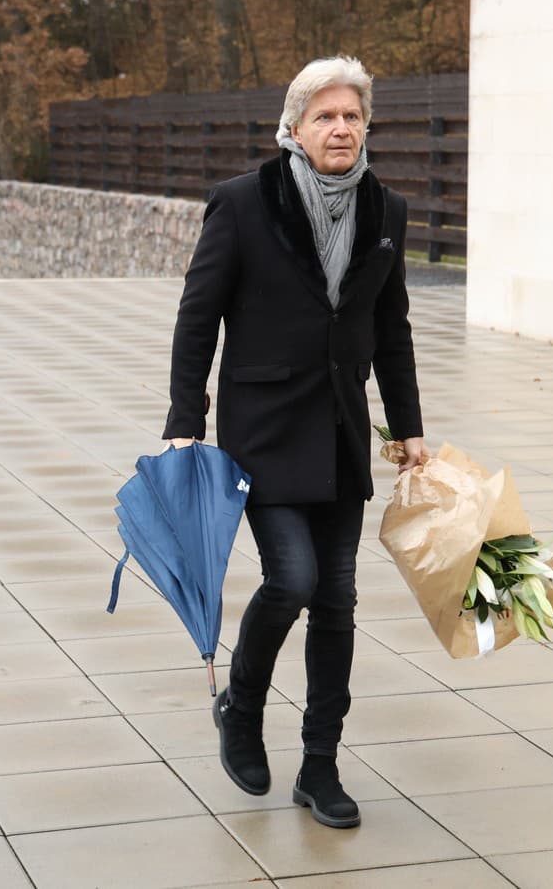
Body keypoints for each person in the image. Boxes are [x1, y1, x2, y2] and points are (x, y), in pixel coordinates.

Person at [163, 55, 428, 829]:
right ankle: (241, 705)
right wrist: (186, 420)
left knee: (338, 601)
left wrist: (408, 425)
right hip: (267, 430)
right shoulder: (244, 204)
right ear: (295, 127)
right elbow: (196, 314)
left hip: (342, 432)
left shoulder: (387, 209)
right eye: (325, 116)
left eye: (352, 116)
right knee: (295, 578)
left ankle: (320, 764)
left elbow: (392, 327)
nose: (340, 127)